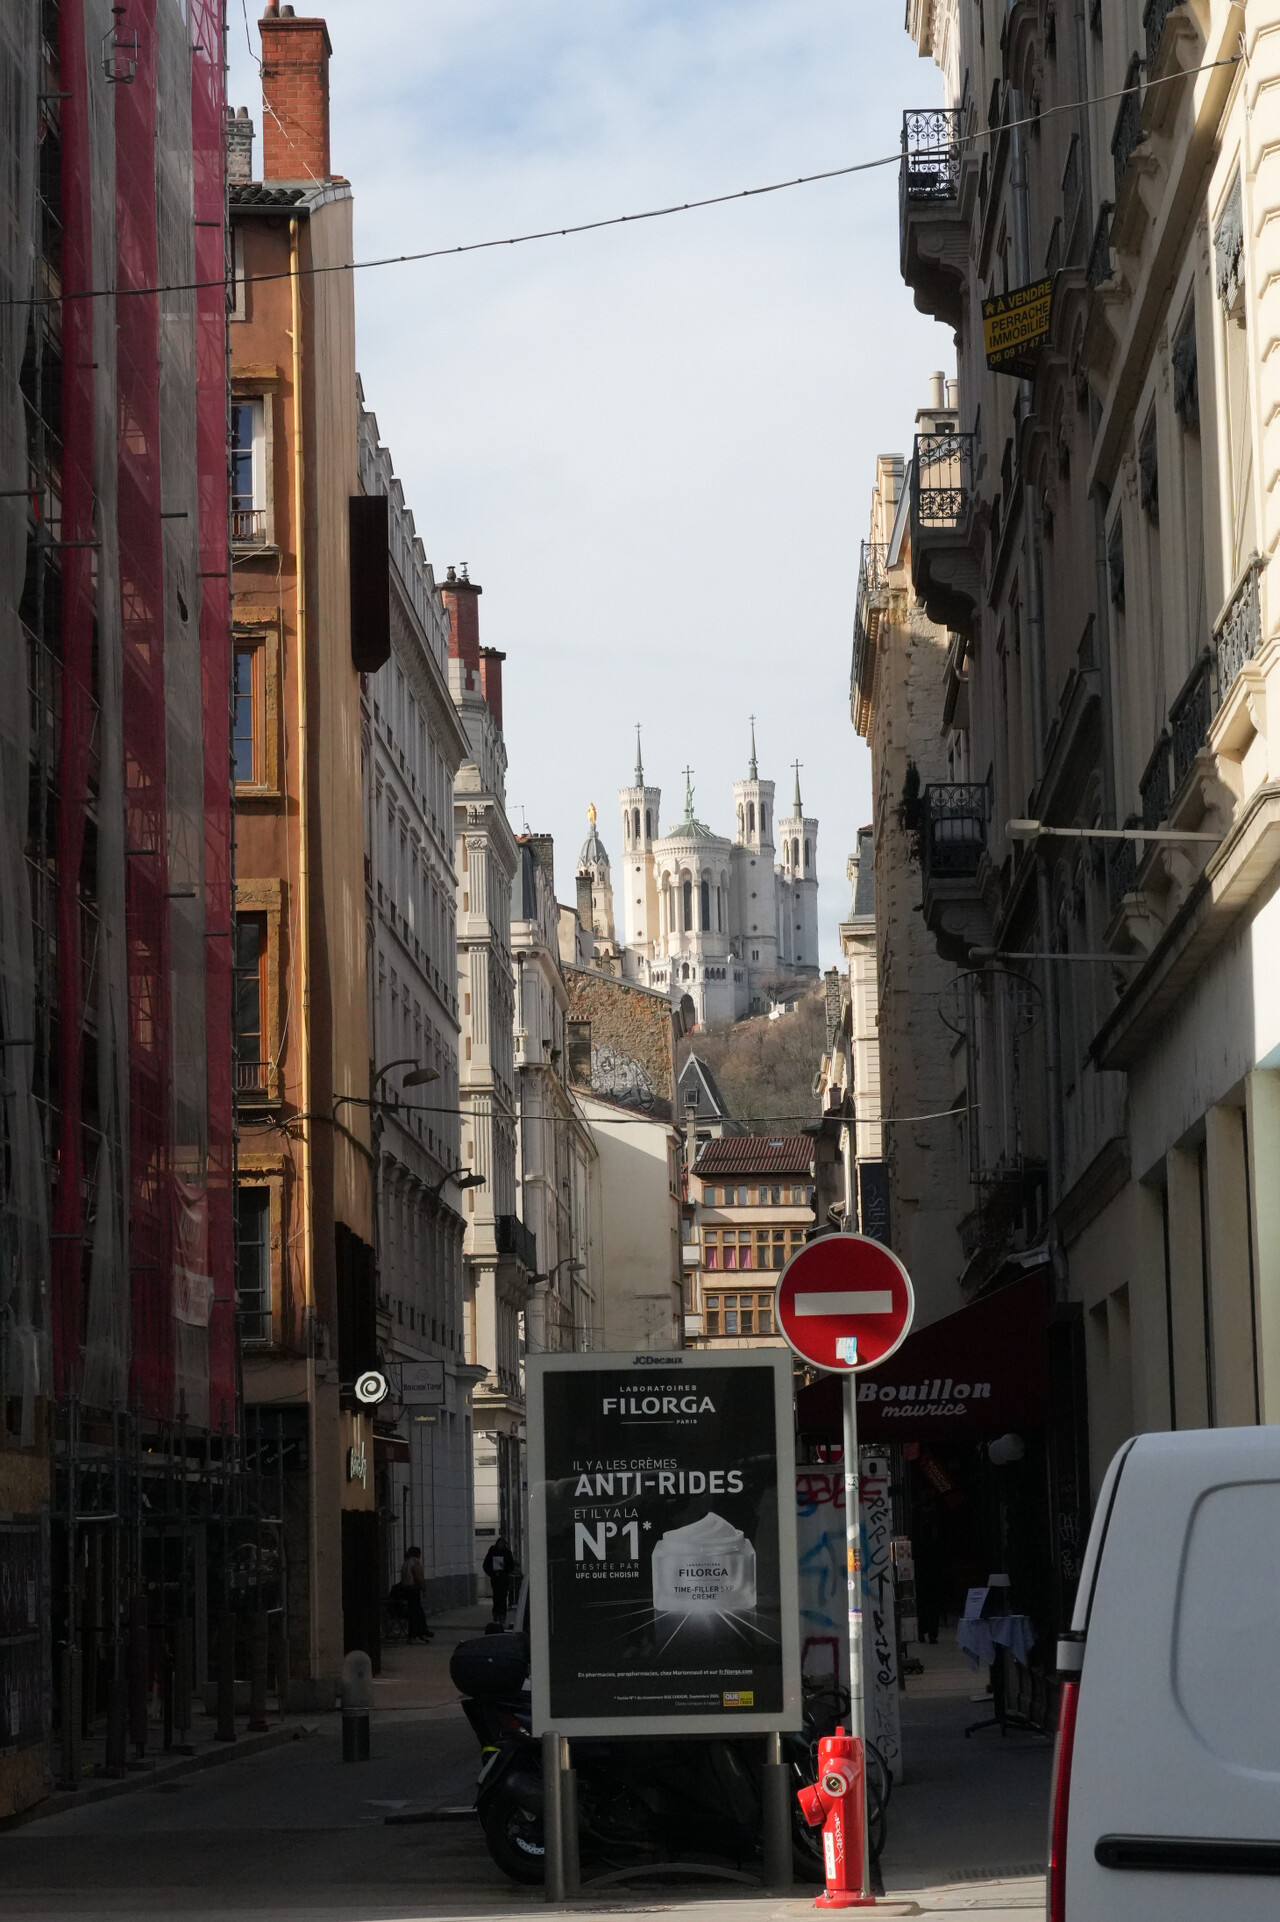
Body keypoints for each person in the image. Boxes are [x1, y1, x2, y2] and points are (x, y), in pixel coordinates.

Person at [400, 1544, 432, 1642]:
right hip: (414, 1589)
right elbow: (418, 1576)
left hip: (406, 1589)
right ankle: (421, 1631)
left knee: (413, 1611)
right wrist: (423, 1586)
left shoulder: (406, 1562)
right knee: (417, 1611)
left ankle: (415, 1633)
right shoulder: (415, 1562)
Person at [483, 1533, 516, 1624]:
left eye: (502, 1544)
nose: (500, 1545)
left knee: (503, 1596)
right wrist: (492, 1573)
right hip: (495, 1578)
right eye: (499, 1543)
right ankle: (496, 1613)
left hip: (504, 1578)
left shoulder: (507, 1553)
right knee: (496, 1596)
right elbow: (486, 1565)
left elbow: (511, 1566)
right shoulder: (492, 1552)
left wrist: (505, 1566)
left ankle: (502, 1615)